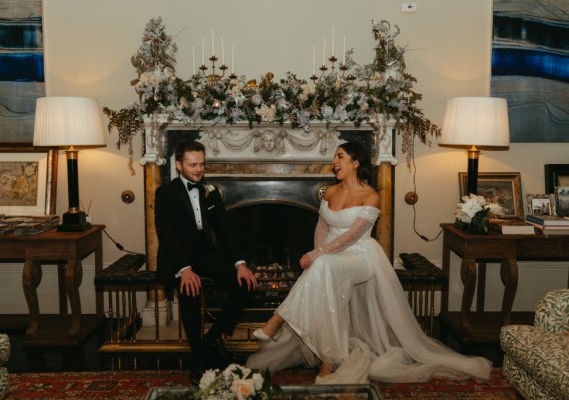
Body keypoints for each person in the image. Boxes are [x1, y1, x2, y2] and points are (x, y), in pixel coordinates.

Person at [246, 141, 492, 384]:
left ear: (355, 163)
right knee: (325, 274)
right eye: (334, 157)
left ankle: (278, 320)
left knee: (323, 266)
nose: (334, 162)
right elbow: (321, 226)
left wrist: (318, 255)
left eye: (340, 157)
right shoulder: (330, 192)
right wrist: (317, 252)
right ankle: (327, 363)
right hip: (329, 258)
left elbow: (352, 235)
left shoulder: (371, 196)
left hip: (359, 256)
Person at [155, 140, 257, 384]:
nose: (199, 169)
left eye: (202, 164)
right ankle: (199, 357)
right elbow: (165, 235)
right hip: (176, 257)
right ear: (178, 165)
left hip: (203, 253)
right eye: (193, 165)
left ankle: (212, 338)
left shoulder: (209, 191)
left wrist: (240, 263)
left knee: (245, 284)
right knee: (190, 289)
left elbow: (225, 230)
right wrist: (184, 269)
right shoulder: (165, 193)